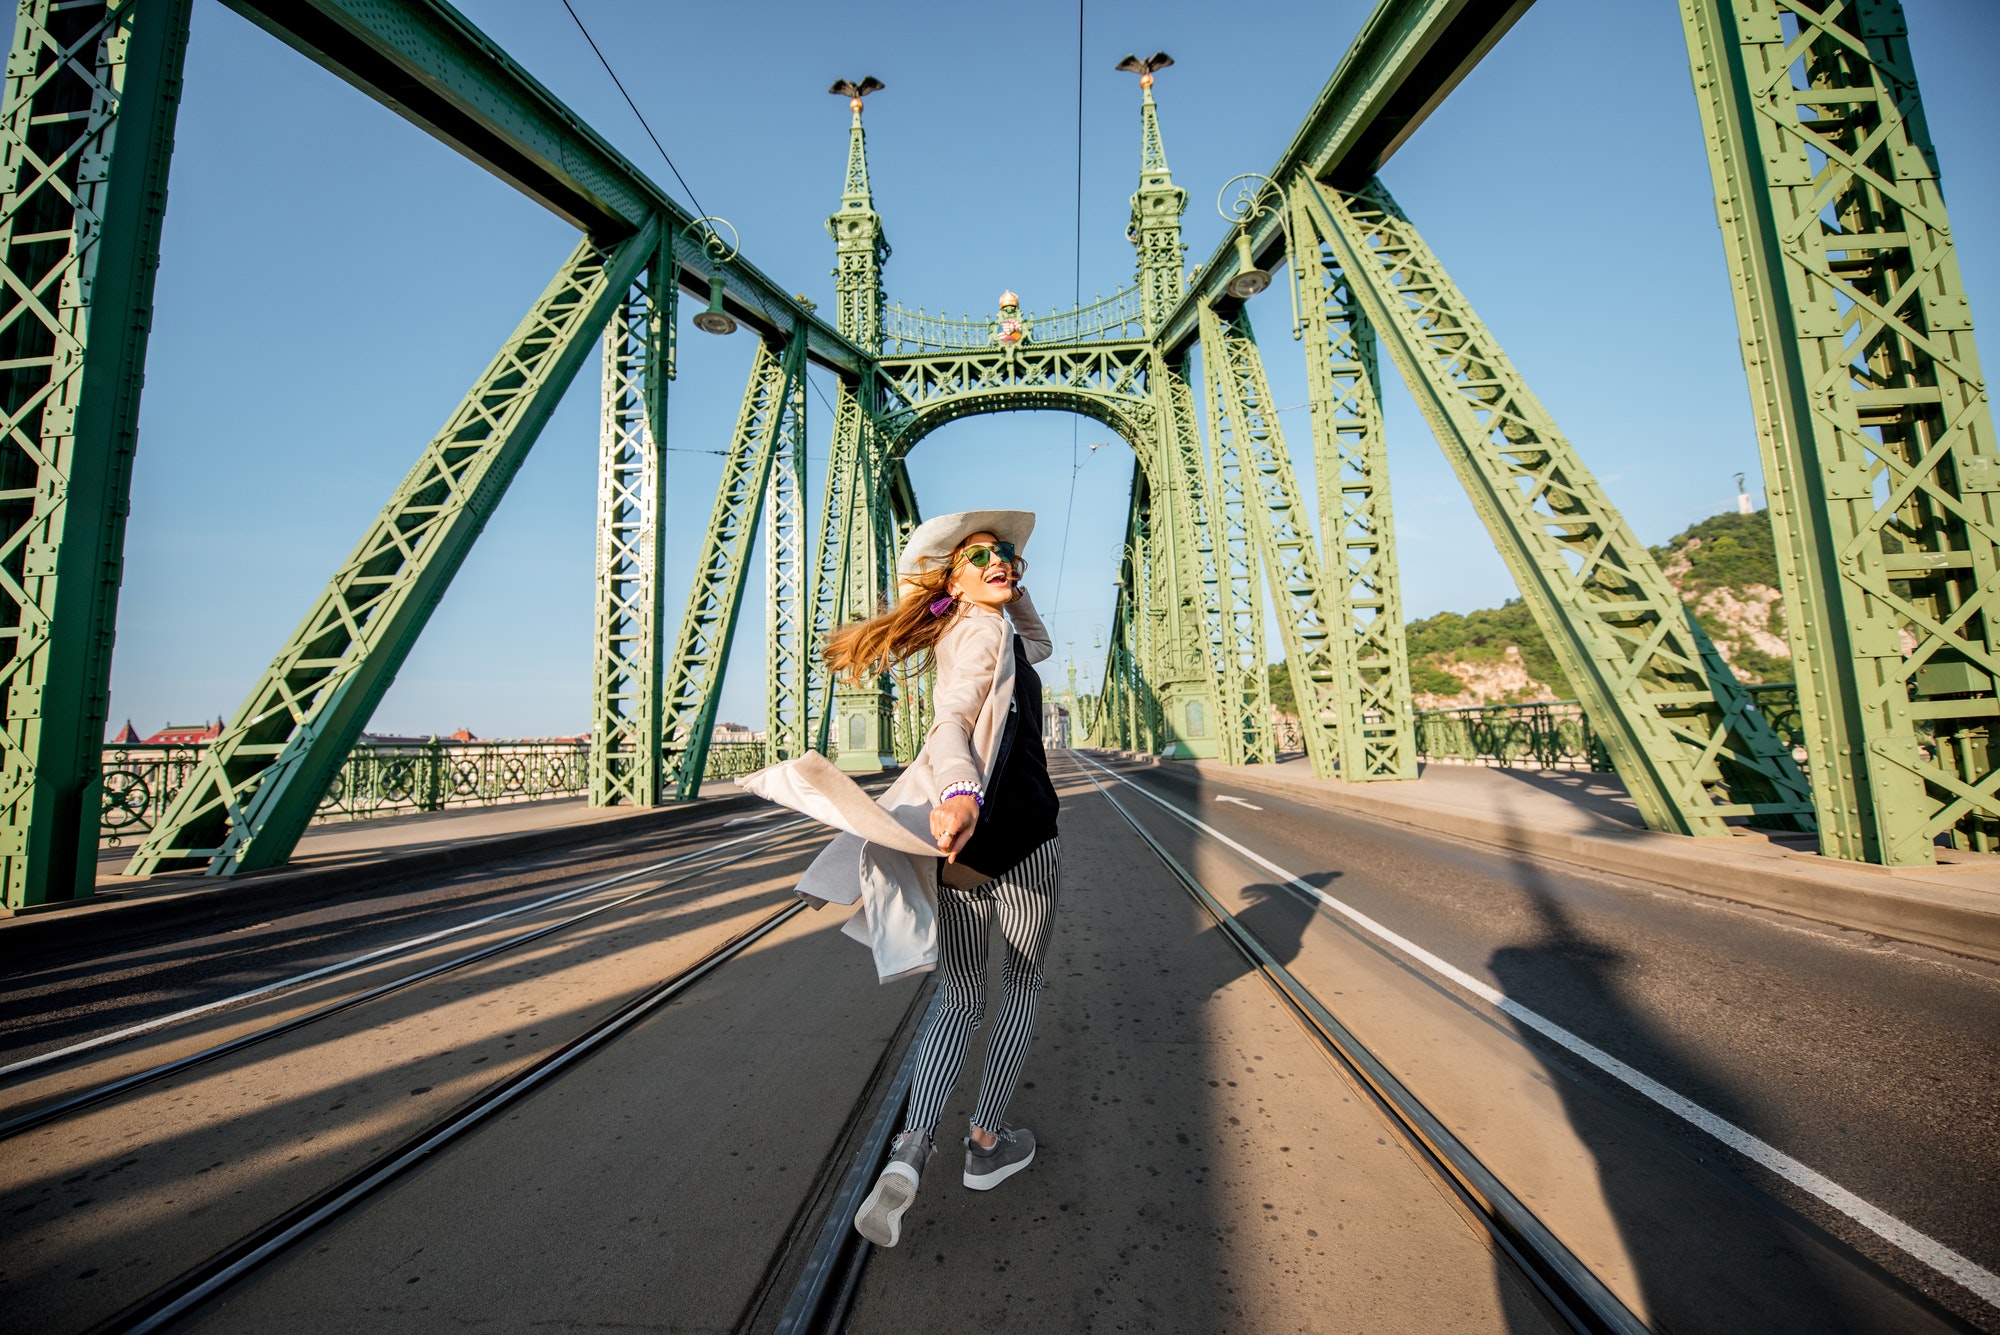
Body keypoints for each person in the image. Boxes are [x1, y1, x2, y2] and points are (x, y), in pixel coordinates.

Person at [741, 510, 1060, 1250]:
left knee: (960, 994)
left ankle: (912, 1150)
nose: (1002, 560)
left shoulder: (982, 628)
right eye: (981, 554)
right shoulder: (980, 634)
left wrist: (1008, 585)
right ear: (951, 576)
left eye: (1008, 551)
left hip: (961, 848)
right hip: (1018, 833)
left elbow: (1036, 644)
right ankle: (984, 1143)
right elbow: (950, 721)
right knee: (1022, 982)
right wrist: (959, 788)